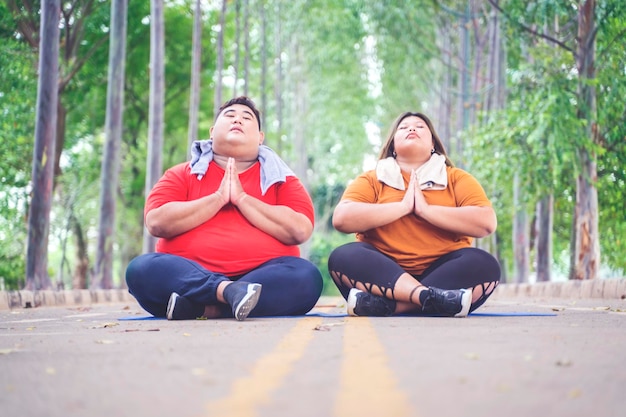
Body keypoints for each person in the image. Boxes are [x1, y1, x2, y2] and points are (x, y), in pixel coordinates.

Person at [126, 96, 323, 321]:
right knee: (141, 270)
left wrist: (242, 199)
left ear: (260, 138)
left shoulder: (283, 180)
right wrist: (218, 198)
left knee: (306, 277)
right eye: (229, 116)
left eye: (246, 117)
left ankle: (208, 308)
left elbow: (299, 230)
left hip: (261, 277)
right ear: (212, 132)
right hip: (188, 276)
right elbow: (156, 222)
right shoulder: (181, 173)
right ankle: (228, 293)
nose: (237, 120)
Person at [328, 111, 501, 317]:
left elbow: (486, 222)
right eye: (403, 127)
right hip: (383, 275)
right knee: (344, 256)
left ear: (433, 144)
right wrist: (402, 208)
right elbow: (342, 218)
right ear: (392, 145)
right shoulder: (371, 179)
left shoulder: (456, 178)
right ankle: (429, 298)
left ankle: (392, 306)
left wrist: (425, 211)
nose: (411, 129)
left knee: (484, 265)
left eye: (419, 126)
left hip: (444, 272)